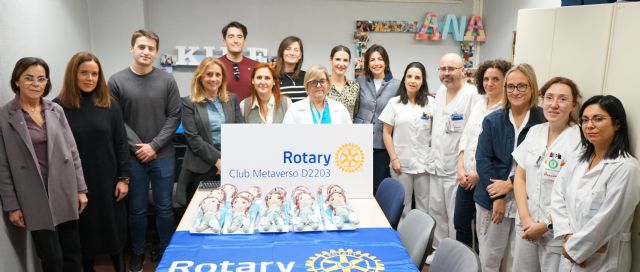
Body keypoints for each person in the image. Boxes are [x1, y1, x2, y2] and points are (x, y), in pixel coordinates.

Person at [0, 57, 87, 272]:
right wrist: (11, 205)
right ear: (17, 81)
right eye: (28, 78)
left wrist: (81, 189)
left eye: (41, 79)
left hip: (63, 188)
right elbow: (2, 165)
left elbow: (72, 151)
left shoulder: (55, 110)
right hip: (33, 194)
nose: (35, 83)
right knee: (52, 258)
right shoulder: (5, 115)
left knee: (72, 253)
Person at [107, 29, 181, 271]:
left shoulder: (167, 80)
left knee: (164, 207)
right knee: (137, 210)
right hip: (132, 158)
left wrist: (154, 145)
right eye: (141, 47)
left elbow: (174, 116)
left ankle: (166, 249)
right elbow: (116, 120)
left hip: (164, 155)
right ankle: (138, 253)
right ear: (132, 48)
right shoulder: (116, 81)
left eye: (150, 48)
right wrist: (140, 147)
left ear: (156, 51)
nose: (146, 52)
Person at [55, 52, 129, 272]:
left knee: (113, 234)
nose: (90, 78)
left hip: (108, 182)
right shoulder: (57, 108)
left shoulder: (110, 104)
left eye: (95, 74)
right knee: (83, 236)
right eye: (84, 73)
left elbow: (121, 144)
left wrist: (124, 178)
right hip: (77, 184)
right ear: (73, 75)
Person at [551, 95, 639, 272]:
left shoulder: (626, 167)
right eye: (584, 120)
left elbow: (609, 218)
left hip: (605, 260)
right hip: (569, 252)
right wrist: (568, 238)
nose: (589, 125)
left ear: (617, 124)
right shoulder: (578, 159)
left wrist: (575, 249)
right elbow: (558, 195)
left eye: (598, 119)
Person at [474, 63, 544, 272]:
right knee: (490, 257)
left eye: (522, 86)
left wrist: (511, 184)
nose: (515, 92)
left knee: (518, 260)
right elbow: (483, 160)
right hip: (491, 197)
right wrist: (498, 197)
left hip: (527, 199)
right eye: (510, 86)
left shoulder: (543, 121)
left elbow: (539, 164)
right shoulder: (492, 121)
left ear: (532, 88)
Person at [512, 77, 582, 271]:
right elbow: (520, 176)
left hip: (555, 231)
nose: (554, 104)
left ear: (574, 104)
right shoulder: (535, 132)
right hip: (526, 224)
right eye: (549, 97)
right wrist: (526, 219)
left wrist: (544, 224)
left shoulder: (579, 140)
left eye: (562, 99)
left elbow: (573, 192)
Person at [454, 59, 512, 248]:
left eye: (496, 79)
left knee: (482, 231)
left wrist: (479, 175)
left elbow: (503, 153)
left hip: (487, 180)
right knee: (460, 222)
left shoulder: (506, 111)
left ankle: (479, 264)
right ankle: (464, 263)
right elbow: (466, 137)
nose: (489, 83)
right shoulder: (479, 104)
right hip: (466, 177)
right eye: (486, 79)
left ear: (505, 81)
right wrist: (460, 167)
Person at [428, 53, 478, 259]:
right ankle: (439, 250)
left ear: (462, 71)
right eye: (442, 69)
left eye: (451, 68)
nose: (446, 73)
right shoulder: (441, 91)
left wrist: (466, 166)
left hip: (457, 168)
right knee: (436, 211)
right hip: (436, 163)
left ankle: (455, 256)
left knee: (455, 215)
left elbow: (473, 134)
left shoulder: (472, 95)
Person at [176, 58, 243, 206]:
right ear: (200, 77)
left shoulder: (232, 99)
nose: (214, 79)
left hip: (231, 163)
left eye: (218, 75)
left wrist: (228, 161)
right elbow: (193, 138)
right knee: (202, 212)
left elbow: (240, 131)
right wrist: (218, 161)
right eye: (209, 74)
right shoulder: (188, 103)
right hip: (201, 164)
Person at [378, 62, 434, 219]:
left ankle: (422, 241)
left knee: (424, 205)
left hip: (424, 163)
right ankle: (403, 240)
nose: (412, 80)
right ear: (404, 79)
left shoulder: (431, 103)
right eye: (409, 76)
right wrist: (394, 158)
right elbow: (386, 133)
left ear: (422, 81)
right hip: (400, 163)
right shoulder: (394, 103)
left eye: (417, 77)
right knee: (403, 206)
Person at [353, 44, 400, 193]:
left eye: (380, 59)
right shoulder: (360, 81)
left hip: (382, 143)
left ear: (386, 62)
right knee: (359, 183)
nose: (376, 63)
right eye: (372, 60)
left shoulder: (397, 85)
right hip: (359, 141)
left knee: (378, 185)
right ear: (367, 63)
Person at [283, 65, 351, 124]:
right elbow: (287, 136)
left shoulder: (340, 109)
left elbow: (348, 136)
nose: (318, 85)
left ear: (328, 83)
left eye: (322, 81)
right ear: (307, 85)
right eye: (314, 82)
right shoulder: (294, 109)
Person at [218, 21, 259, 101]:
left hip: (250, 112)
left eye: (239, 37)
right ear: (224, 42)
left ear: (245, 41)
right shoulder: (215, 65)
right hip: (222, 112)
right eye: (231, 36)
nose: (235, 40)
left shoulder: (256, 66)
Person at [327, 45, 360, 119]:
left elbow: (355, 113)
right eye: (338, 59)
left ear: (349, 62)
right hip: (325, 129)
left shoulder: (355, 86)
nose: (341, 64)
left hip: (348, 129)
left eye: (345, 60)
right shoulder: (322, 85)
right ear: (330, 60)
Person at [276, 36, 306, 102]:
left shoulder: (307, 76)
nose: (292, 53)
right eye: (288, 49)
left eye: (296, 50)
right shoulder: (272, 76)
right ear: (282, 52)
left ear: (300, 55)